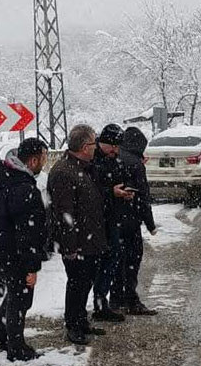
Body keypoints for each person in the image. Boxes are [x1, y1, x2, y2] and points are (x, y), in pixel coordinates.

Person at [0, 137, 50, 361]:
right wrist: (32, 266)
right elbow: (28, 233)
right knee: (21, 295)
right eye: (45, 159)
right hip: (13, 248)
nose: (45, 164)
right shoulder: (24, 188)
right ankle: (16, 348)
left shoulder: (1, 172)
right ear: (34, 160)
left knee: (15, 290)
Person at [48, 124, 111, 344]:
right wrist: (70, 247)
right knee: (77, 283)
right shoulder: (64, 172)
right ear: (85, 146)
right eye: (94, 143)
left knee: (85, 284)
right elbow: (64, 214)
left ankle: (81, 320)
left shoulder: (85, 167)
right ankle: (73, 325)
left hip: (90, 240)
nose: (96, 148)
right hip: (78, 243)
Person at [90, 123, 135, 322]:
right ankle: (97, 303)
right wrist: (111, 192)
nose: (116, 151)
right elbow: (90, 192)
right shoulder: (92, 161)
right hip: (96, 221)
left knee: (113, 258)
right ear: (102, 143)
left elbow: (118, 181)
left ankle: (102, 302)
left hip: (113, 218)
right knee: (98, 263)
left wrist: (125, 193)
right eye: (113, 146)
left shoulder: (115, 160)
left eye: (118, 147)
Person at [112, 126, 158, 315]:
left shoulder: (114, 158)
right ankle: (131, 300)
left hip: (114, 221)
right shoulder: (135, 164)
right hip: (130, 222)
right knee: (132, 260)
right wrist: (150, 224)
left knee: (116, 262)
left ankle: (115, 299)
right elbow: (143, 197)